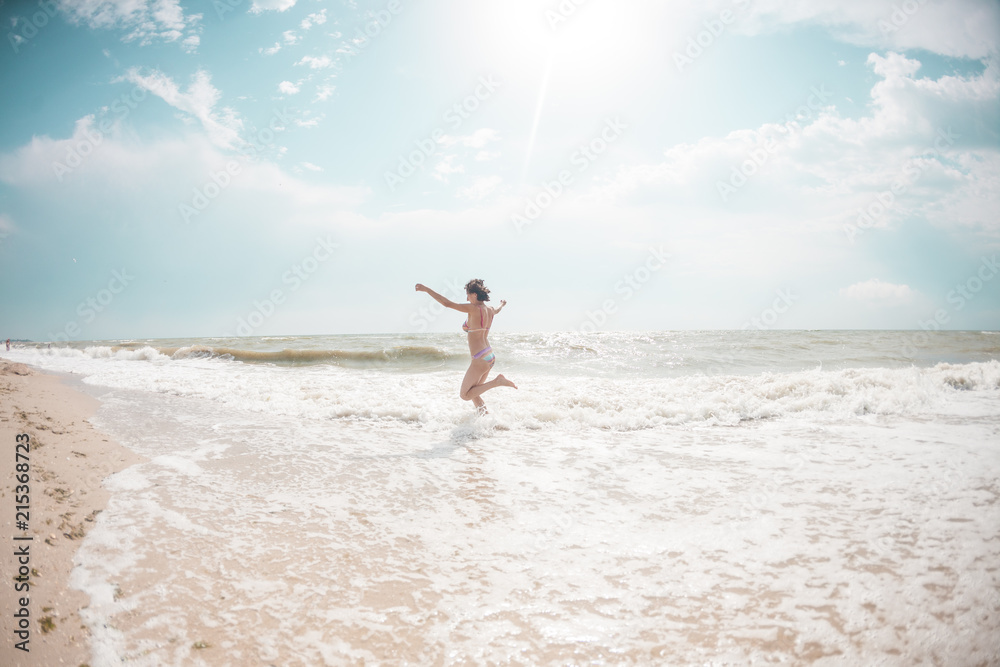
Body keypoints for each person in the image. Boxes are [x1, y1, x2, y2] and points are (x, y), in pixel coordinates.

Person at [415, 279, 517, 413]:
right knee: (474, 392)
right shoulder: (490, 309)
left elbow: (447, 303)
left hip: (480, 357)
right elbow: (497, 310)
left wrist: (426, 289)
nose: (467, 298)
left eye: (468, 294)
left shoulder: (473, 309)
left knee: (465, 395)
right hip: (489, 356)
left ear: (474, 294)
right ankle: (484, 419)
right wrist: (502, 304)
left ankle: (497, 382)